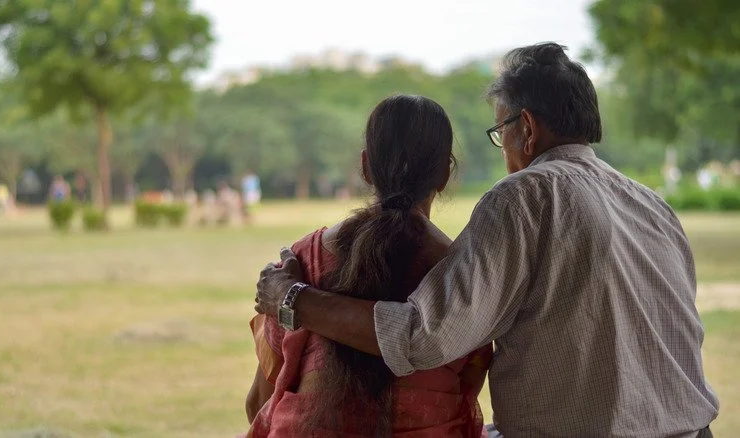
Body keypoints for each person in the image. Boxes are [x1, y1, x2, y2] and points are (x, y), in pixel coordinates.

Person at [255, 43, 719, 437]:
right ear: (444, 173)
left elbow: (422, 338)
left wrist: (291, 297)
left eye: (501, 133)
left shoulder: (525, 194)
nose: (504, 152)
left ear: (528, 129)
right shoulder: (652, 204)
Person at [247, 95, 492, 437]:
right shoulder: (467, 273)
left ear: (365, 166)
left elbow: (258, 400)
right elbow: (469, 391)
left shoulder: (299, 262)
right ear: (445, 173)